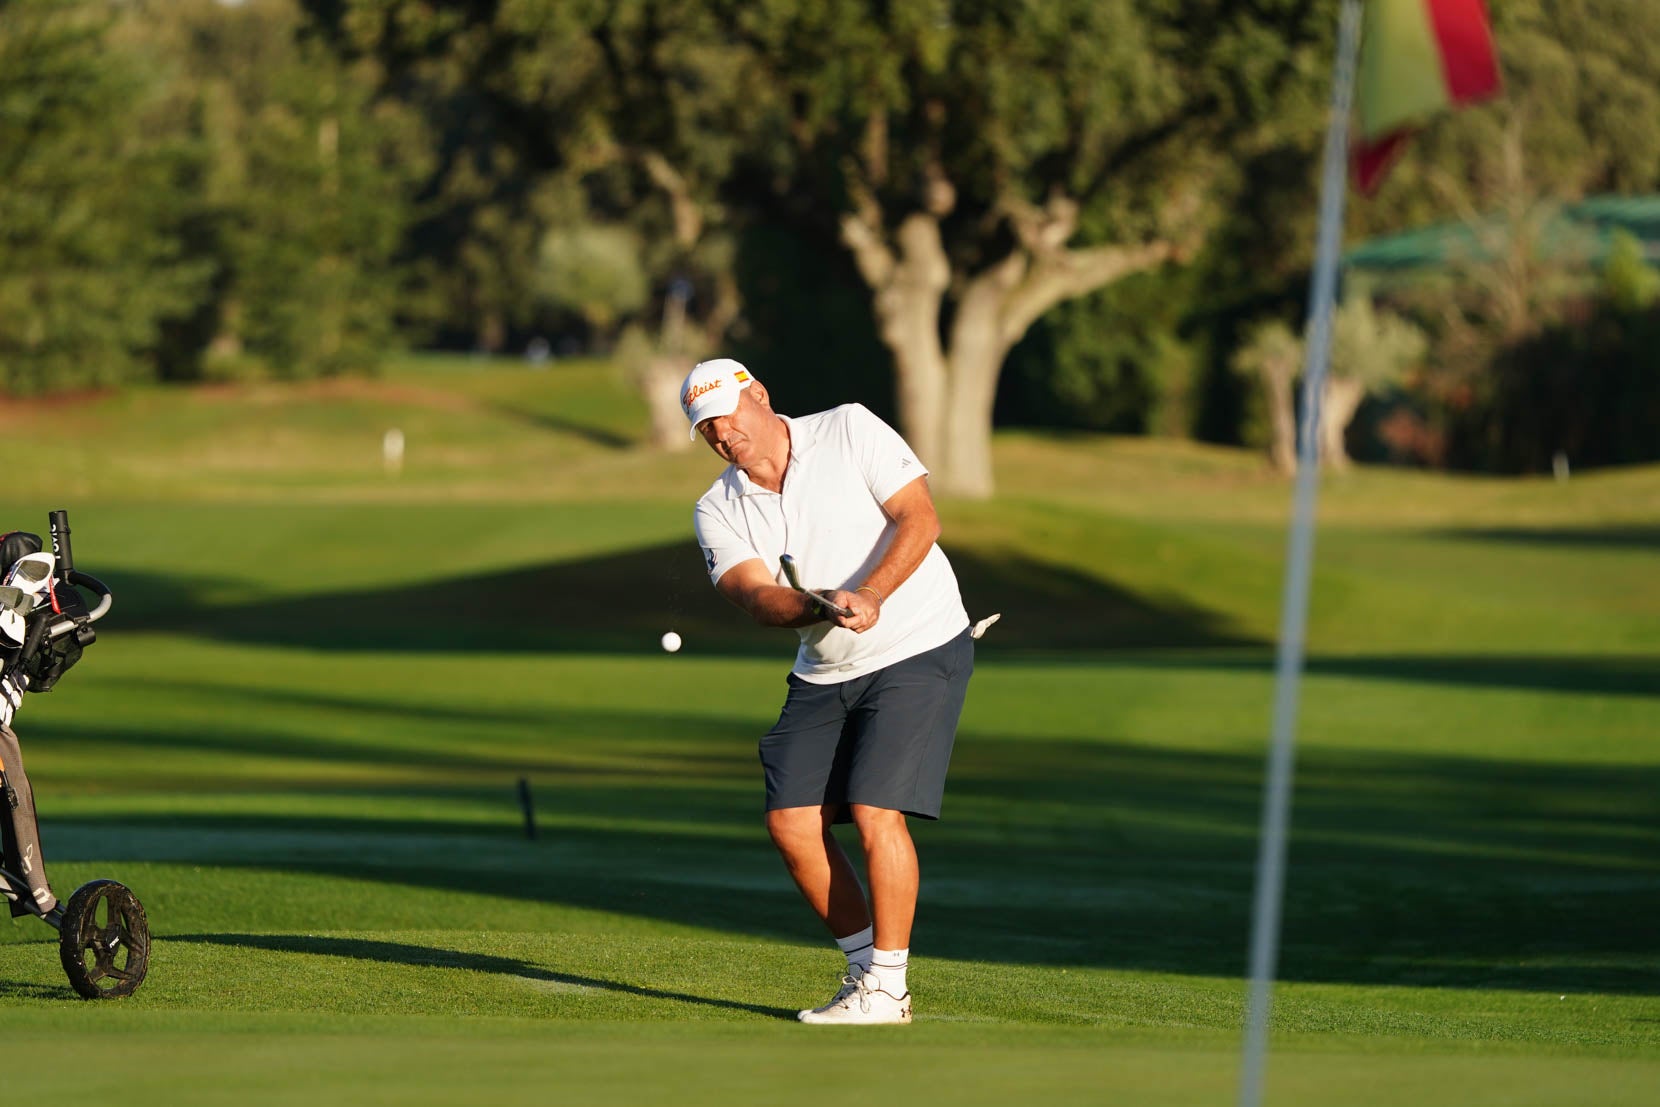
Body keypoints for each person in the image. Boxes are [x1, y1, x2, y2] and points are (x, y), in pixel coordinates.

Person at [681, 357, 975, 1025]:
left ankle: (889, 988)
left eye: (726, 415)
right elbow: (756, 597)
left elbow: (920, 518)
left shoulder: (848, 428)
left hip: (919, 642)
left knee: (875, 808)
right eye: (706, 428)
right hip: (825, 666)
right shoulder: (716, 508)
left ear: (759, 394)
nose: (722, 434)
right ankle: (864, 970)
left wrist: (871, 592)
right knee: (790, 822)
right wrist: (819, 606)